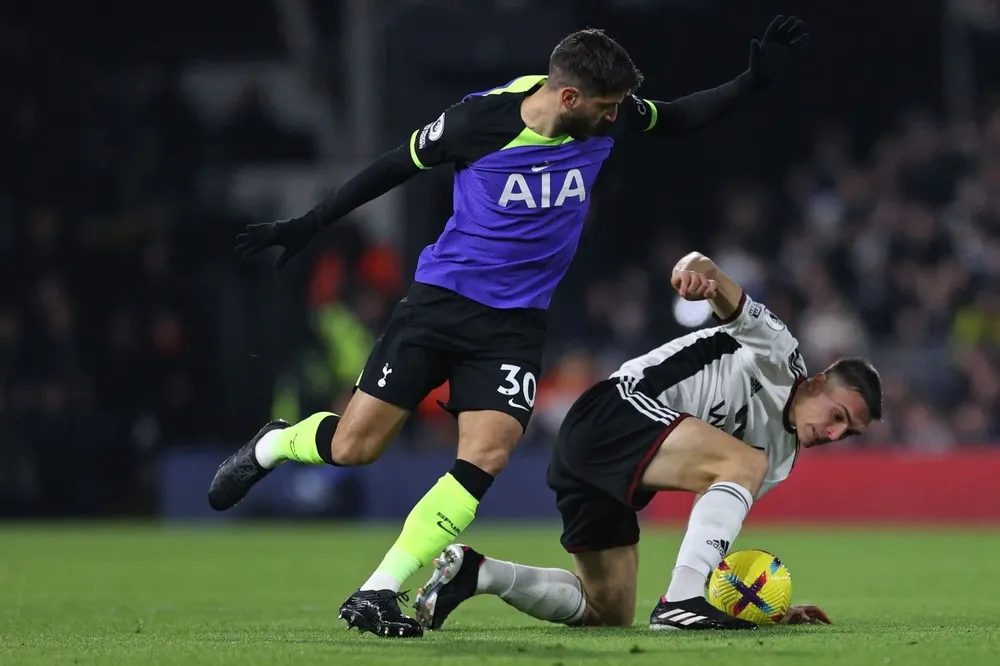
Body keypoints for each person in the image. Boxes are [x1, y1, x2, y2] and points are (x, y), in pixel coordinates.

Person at [208, 18, 810, 639]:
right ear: (568, 98)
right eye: (604, 107)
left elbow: (680, 118)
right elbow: (392, 167)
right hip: (438, 304)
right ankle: (274, 444)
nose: (616, 119)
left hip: (514, 328)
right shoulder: (480, 122)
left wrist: (753, 82)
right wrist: (309, 223)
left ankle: (378, 589)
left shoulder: (612, 116)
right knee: (355, 447)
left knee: (487, 453)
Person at [414, 251, 881, 631]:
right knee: (745, 462)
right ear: (817, 382)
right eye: (838, 416)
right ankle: (681, 601)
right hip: (615, 409)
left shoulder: (780, 460)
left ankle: (480, 573)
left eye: (849, 432)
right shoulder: (780, 354)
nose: (835, 434)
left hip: (607, 458)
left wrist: (764, 609)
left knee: (607, 609)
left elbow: (714, 517)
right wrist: (689, 274)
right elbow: (707, 270)